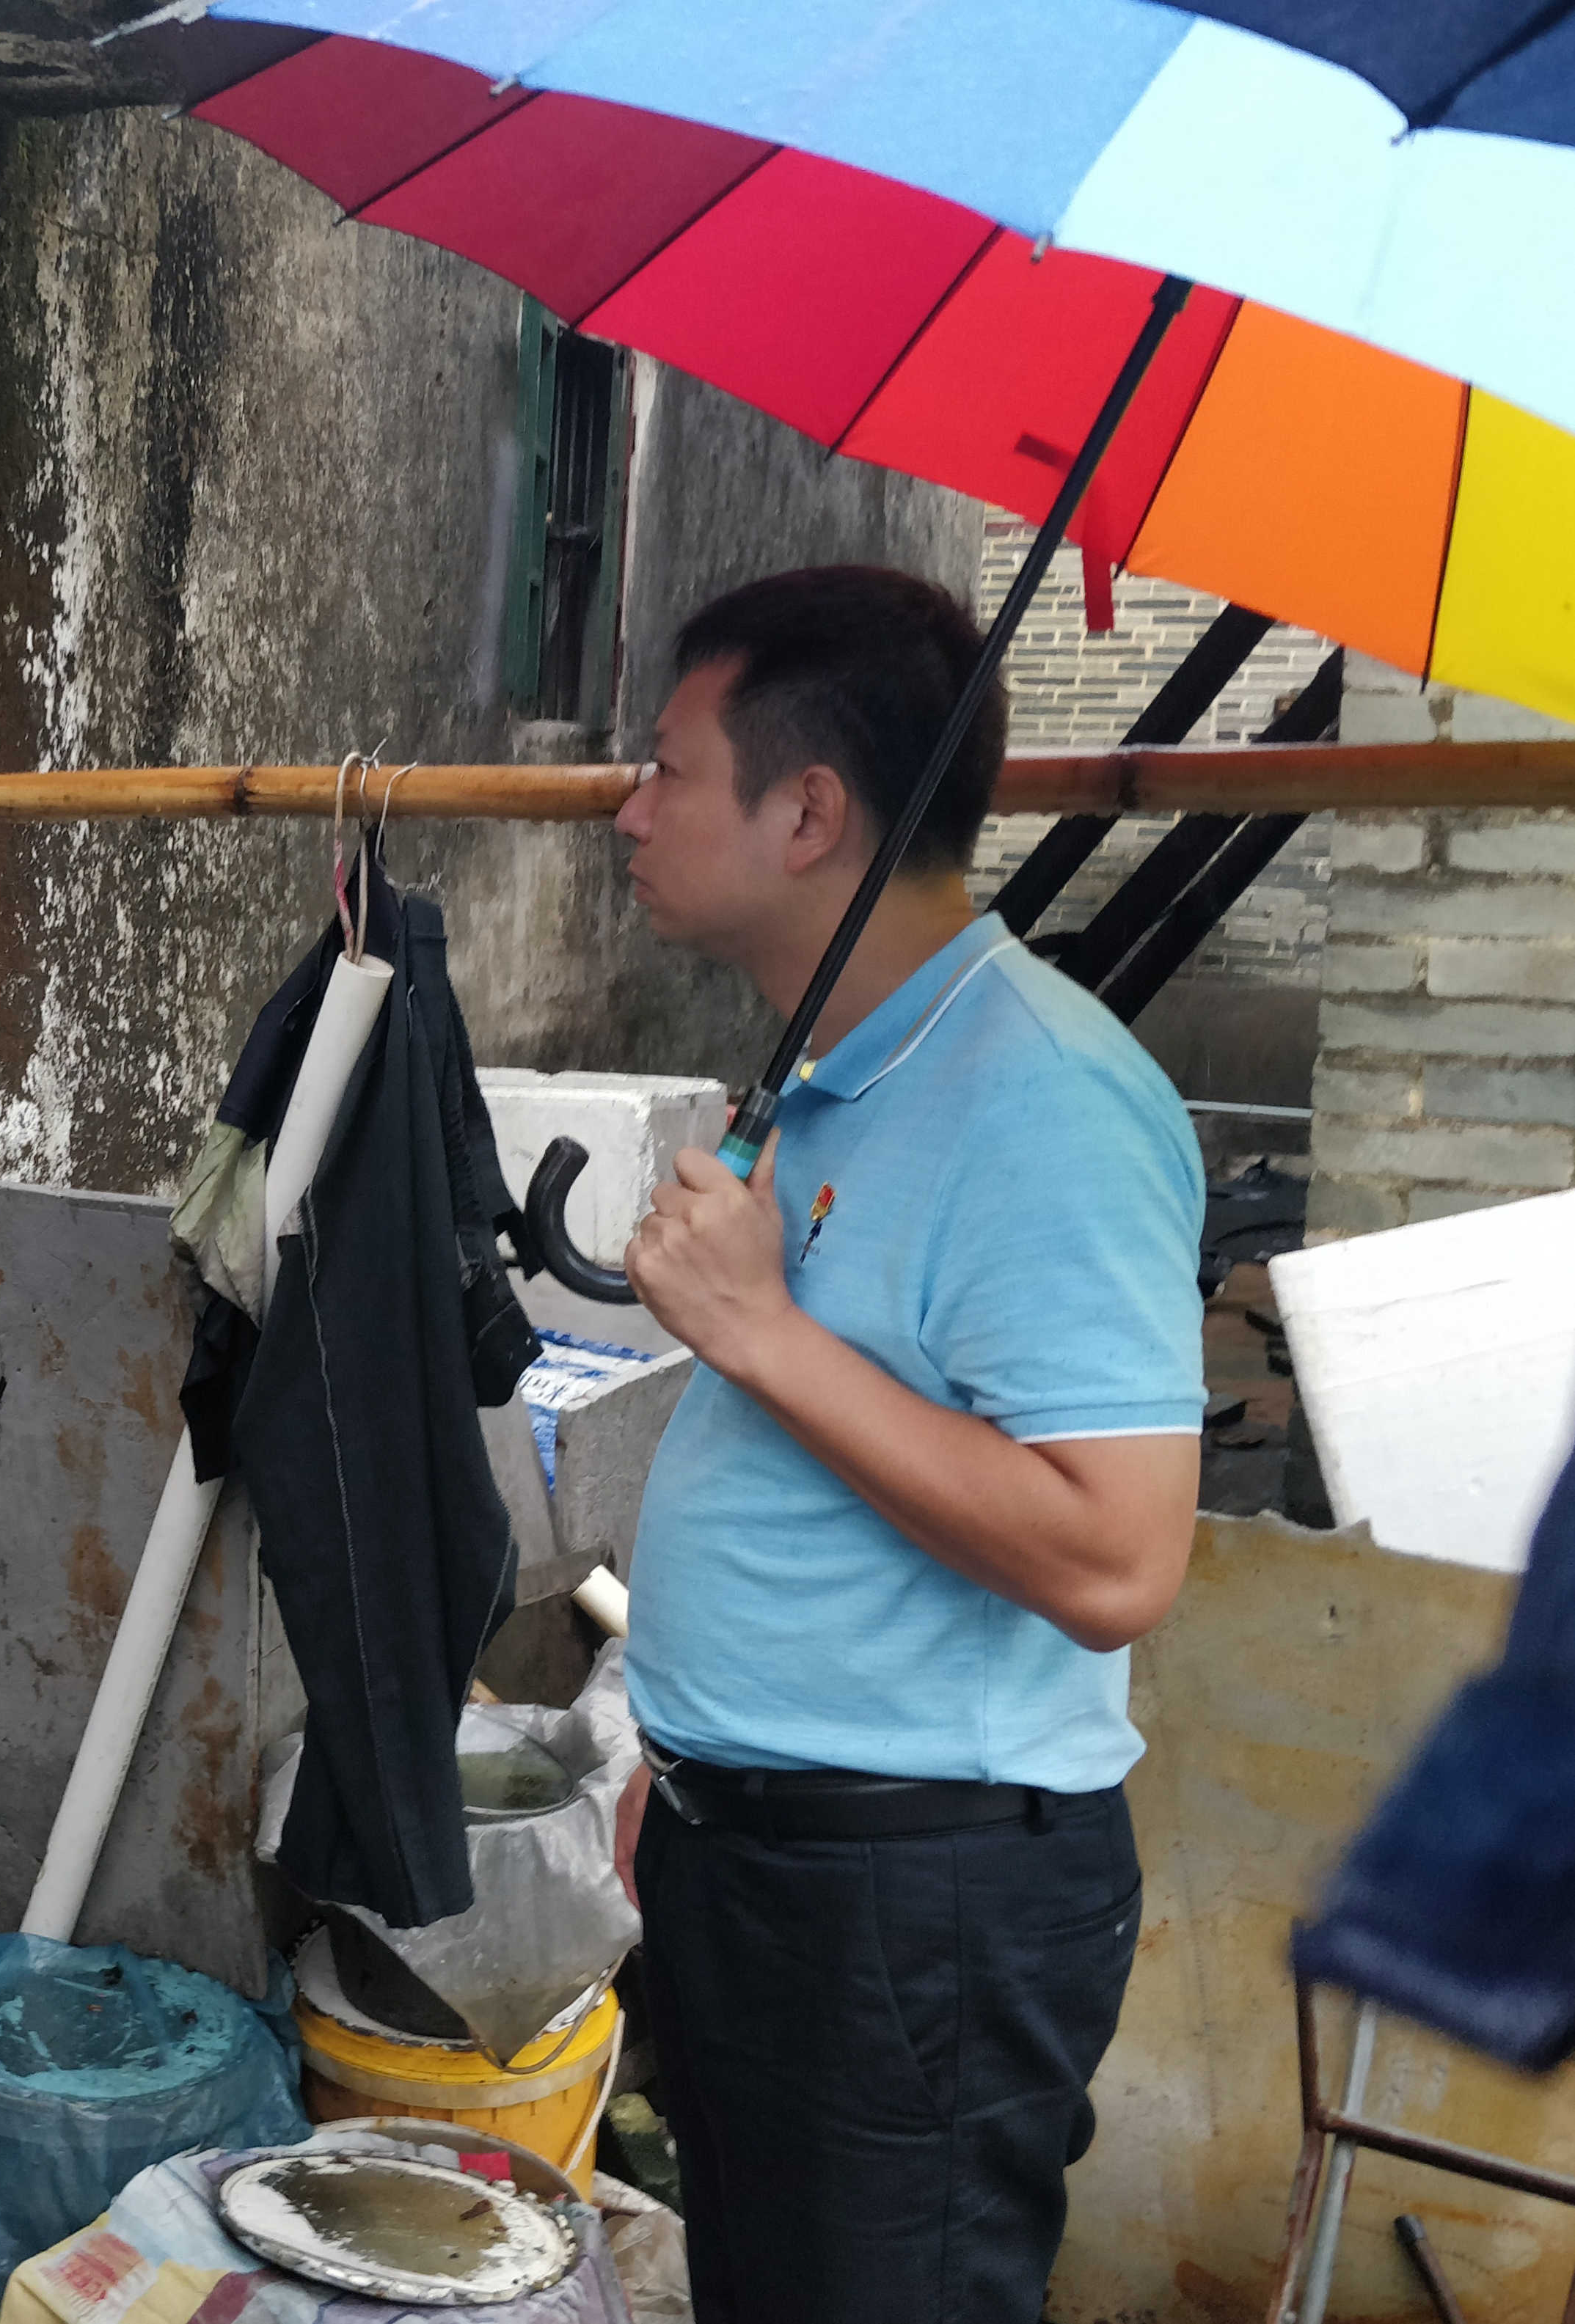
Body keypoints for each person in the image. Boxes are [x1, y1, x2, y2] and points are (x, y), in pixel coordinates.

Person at [604, 567, 1203, 2323]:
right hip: (765, 1856)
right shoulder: (839, 1064)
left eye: (664, 770)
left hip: (909, 1911)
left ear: (807, 814)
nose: (625, 811)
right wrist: (688, 1760)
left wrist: (758, 1329)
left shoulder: (1041, 1097)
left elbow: (1116, 1556)